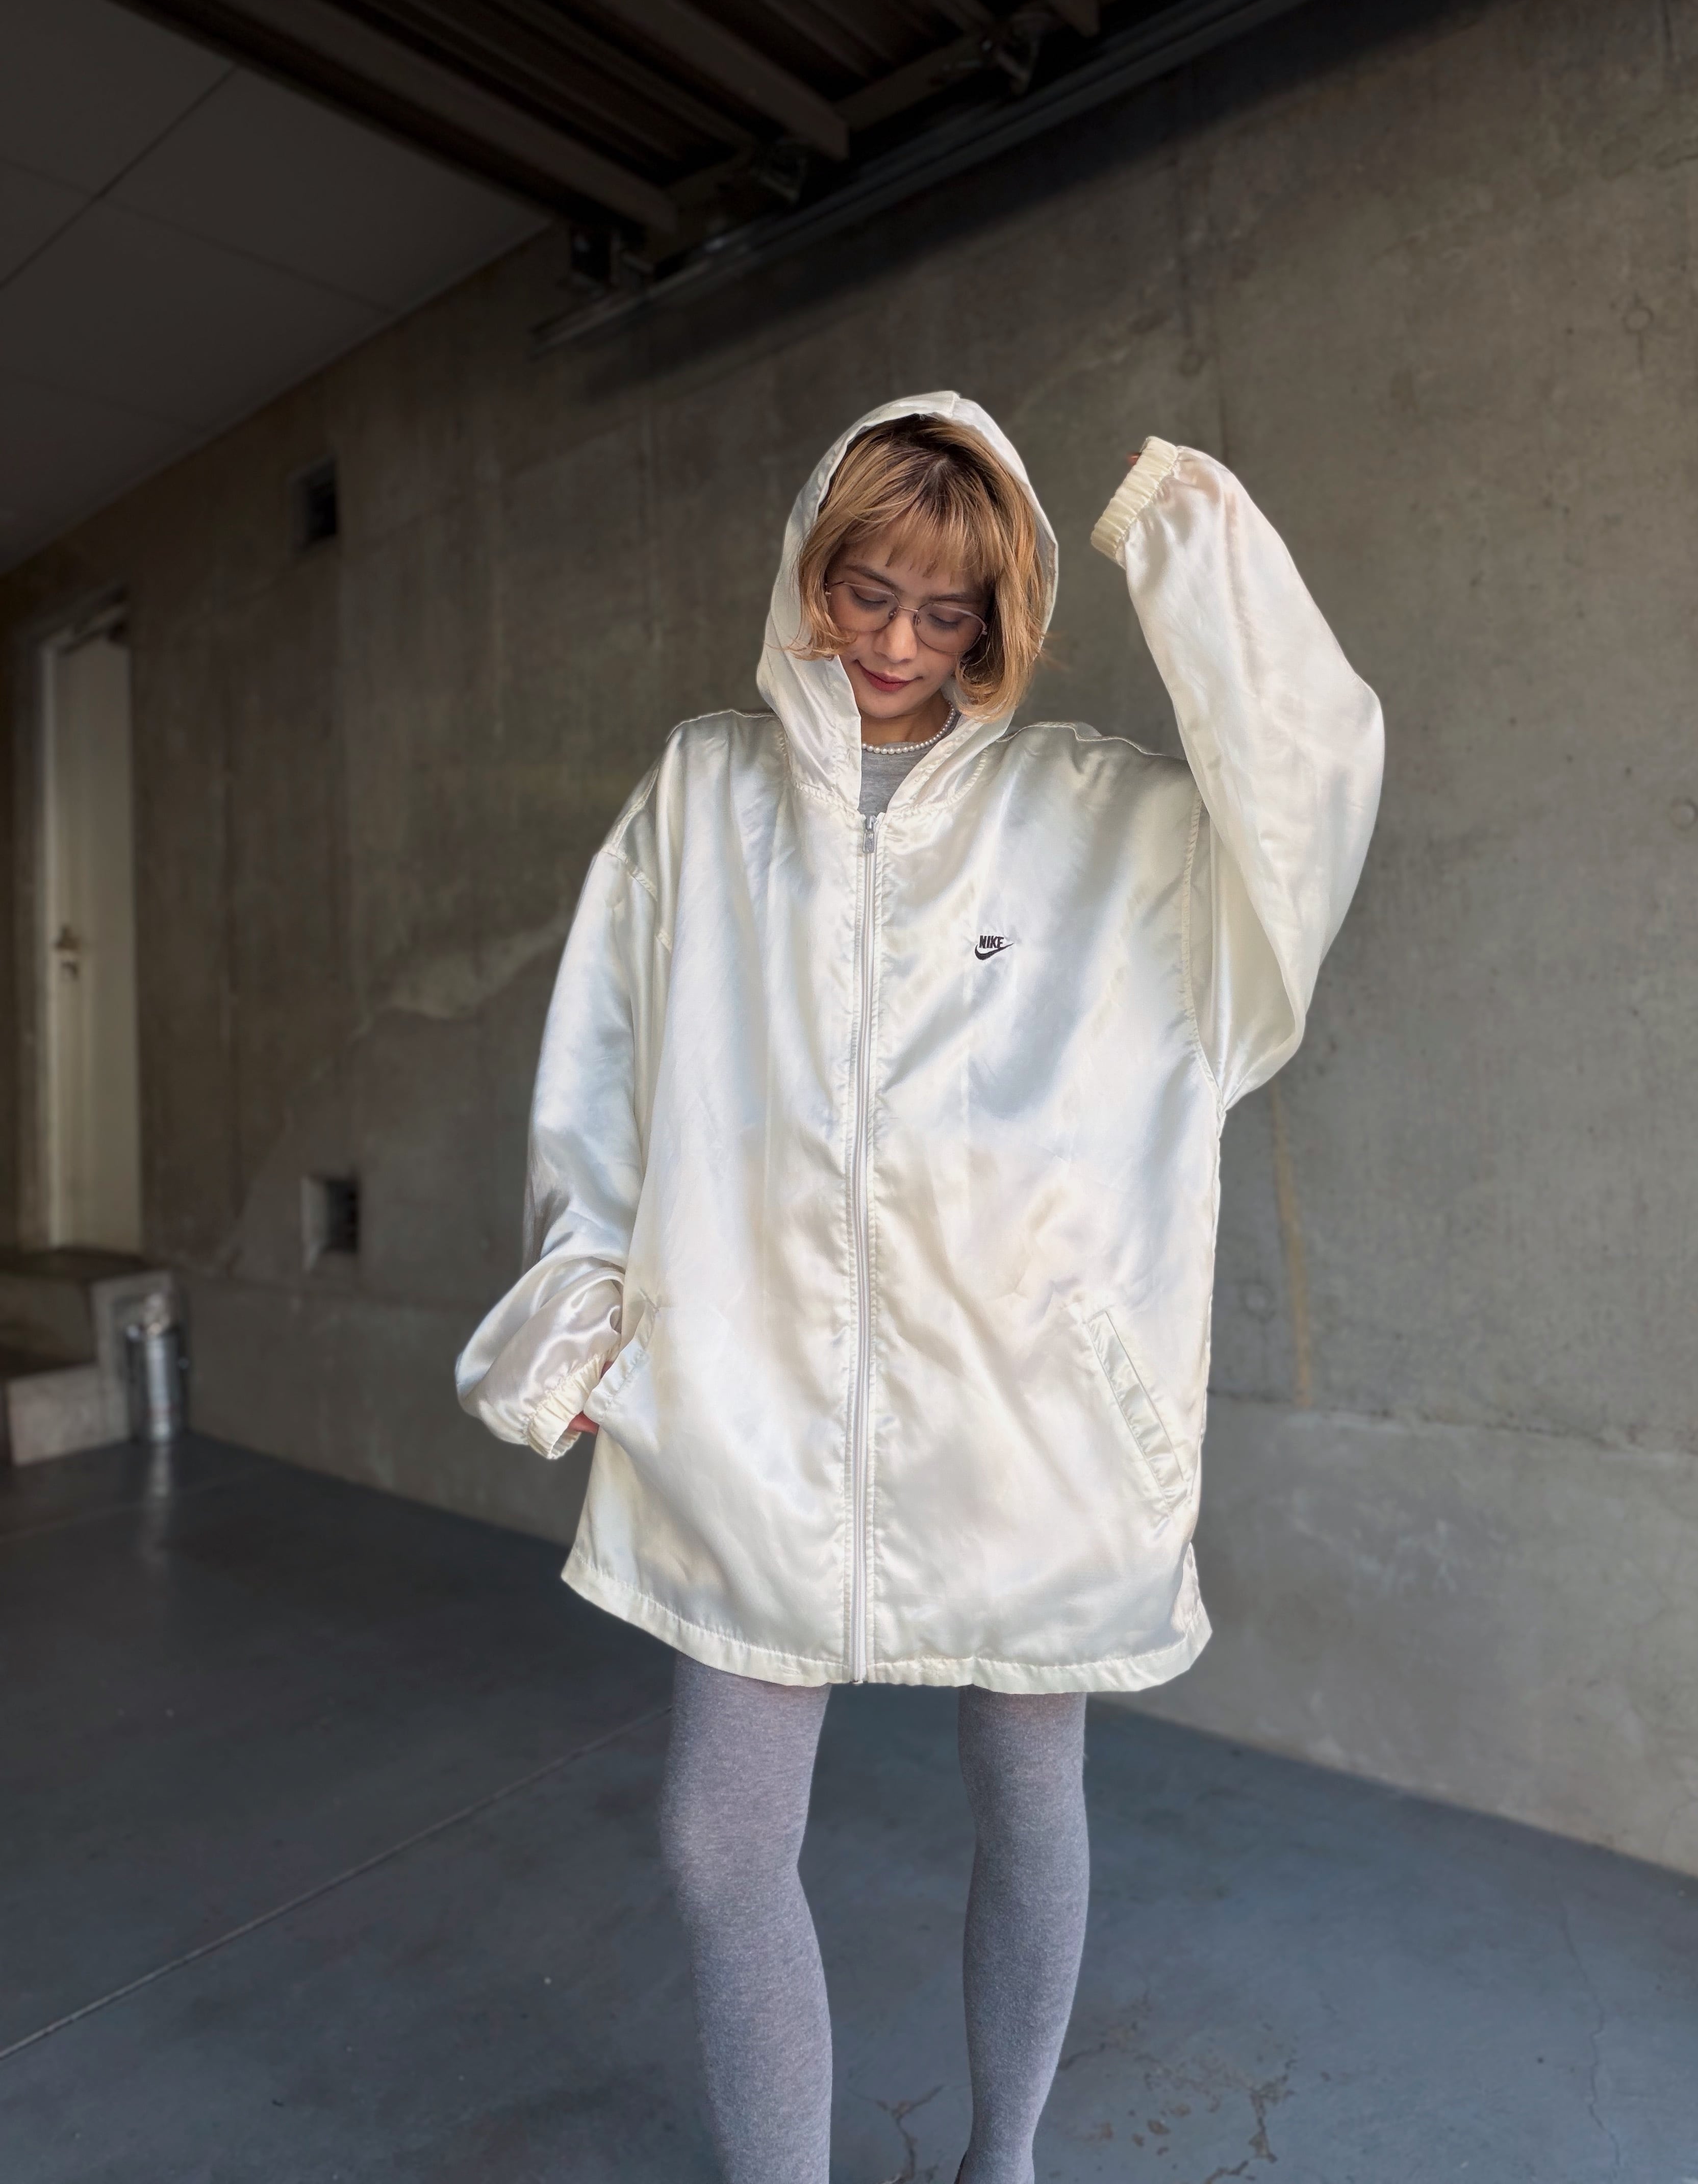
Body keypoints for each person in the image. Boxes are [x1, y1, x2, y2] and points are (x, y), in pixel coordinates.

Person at [457, 394, 1383, 2184]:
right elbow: (606, 1074)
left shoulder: (1107, 816)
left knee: (1030, 1800)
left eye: (945, 610)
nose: (895, 643)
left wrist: (1193, 548)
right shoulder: (703, 796)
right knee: (720, 1842)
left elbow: (1307, 809)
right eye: (865, 592)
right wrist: (585, 1303)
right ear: (810, 570)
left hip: (1034, 1413)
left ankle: (1002, 2162)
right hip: (750, 1401)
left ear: (1000, 615)